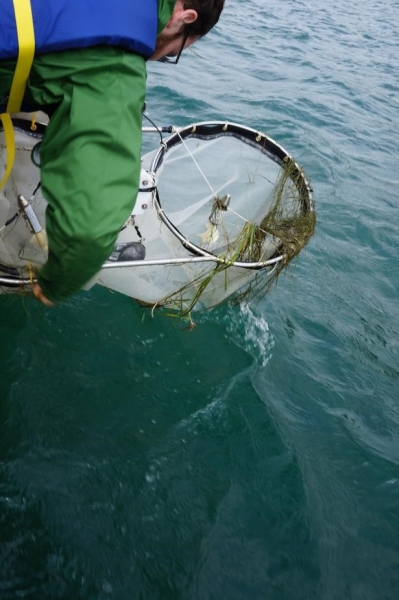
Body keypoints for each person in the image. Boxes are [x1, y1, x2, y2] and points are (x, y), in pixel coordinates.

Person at [0, 0, 225, 305]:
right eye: (171, 52)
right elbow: (89, 229)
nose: (157, 56)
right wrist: (54, 284)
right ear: (184, 17)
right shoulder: (116, 63)